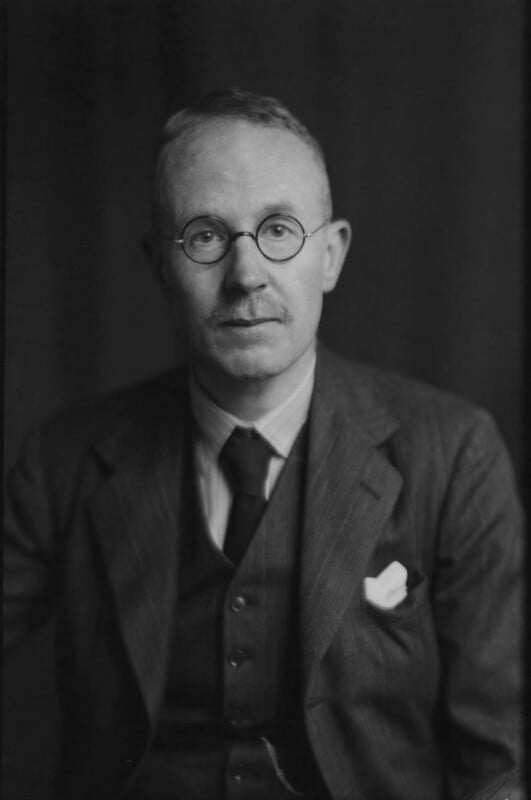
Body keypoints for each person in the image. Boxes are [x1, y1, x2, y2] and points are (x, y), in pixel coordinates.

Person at [4, 88, 524, 800]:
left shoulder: (455, 453)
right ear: (160, 266)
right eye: (205, 237)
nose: (246, 274)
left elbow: (498, 762)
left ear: (331, 256)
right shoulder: (63, 461)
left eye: (279, 229)